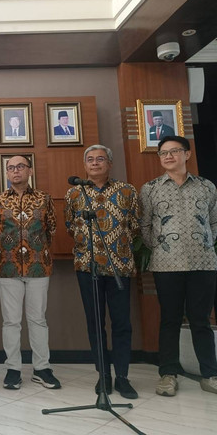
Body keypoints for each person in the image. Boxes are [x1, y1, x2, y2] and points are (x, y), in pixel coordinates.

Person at [139, 135, 217, 396]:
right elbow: (145, 226)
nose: (168, 156)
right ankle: (168, 374)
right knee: (170, 320)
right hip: (166, 264)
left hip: (203, 263)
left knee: (201, 320)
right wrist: (161, 247)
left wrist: (204, 242)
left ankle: (210, 374)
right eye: (163, 153)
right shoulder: (150, 188)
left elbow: (215, 222)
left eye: (174, 151)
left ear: (187, 154)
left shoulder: (207, 187)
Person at [64, 145, 140, 399]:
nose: (95, 163)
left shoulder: (127, 191)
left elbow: (136, 226)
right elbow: (69, 225)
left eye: (100, 159)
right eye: (90, 159)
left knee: (122, 324)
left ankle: (123, 377)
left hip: (119, 266)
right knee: (95, 324)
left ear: (109, 163)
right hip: (88, 267)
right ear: (85, 165)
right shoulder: (75, 193)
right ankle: (103, 376)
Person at [0, 155, 60, 390]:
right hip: (7, 267)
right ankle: (13, 369)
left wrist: (37, 251)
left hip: (39, 265)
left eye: (20, 166)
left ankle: (42, 368)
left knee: (38, 319)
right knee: (11, 321)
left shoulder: (44, 199)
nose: (15, 171)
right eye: (11, 168)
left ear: (30, 170)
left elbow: (52, 228)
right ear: (6, 173)